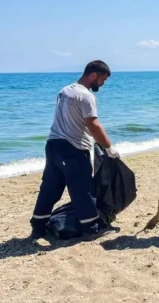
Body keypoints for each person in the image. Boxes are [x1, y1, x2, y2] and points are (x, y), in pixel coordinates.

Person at [30, 60, 119, 239]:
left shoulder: (64, 91)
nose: (102, 84)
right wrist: (109, 148)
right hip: (74, 148)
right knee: (82, 189)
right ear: (93, 75)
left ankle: (38, 226)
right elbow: (93, 125)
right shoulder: (85, 96)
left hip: (53, 145)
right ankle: (92, 228)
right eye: (102, 79)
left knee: (50, 187)